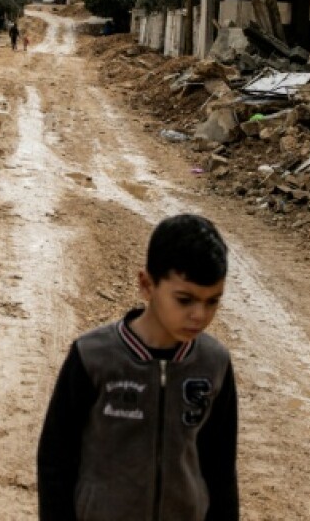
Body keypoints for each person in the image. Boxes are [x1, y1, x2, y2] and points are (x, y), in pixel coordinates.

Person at [37, 213, 237, 521]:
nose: (200, 315)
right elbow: (56, 458)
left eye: (212, 302)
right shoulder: (93, 357)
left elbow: (220, 467)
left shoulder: (214, 364)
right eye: (185, 300)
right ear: (146, 285)